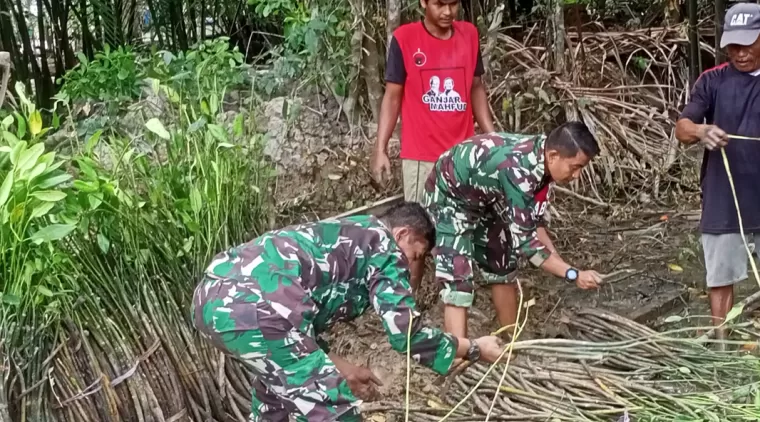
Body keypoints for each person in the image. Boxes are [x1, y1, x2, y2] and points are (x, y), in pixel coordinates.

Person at [191, 202, 503, 421]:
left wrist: (345, 369)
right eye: (416, 254)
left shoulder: (351, 232)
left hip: (213, 300)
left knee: (280, 401)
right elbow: (406, 333)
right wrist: (473, 348)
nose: (409, 266)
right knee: (333, 409)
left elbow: (297, 333)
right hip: (259, 307)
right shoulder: (385, 247)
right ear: (403, 235)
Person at [423, 122, 604, 338]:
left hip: (487, 197)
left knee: (502, 264)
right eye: (575, 167)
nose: (576, 176)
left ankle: (511, 341)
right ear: (554, 155)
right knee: (457, 278)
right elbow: (528, 245)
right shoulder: (520, 171)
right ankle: (460, 354)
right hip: (450, 198)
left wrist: (565, 266)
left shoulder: (543, 162)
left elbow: (534, 224)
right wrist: (573, 274)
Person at [371, 0, 495, 289]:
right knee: (415, 232)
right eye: (439, 4)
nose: (448, 12)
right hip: (420, 156)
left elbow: (476, 86)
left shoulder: (469, 35)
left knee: (463, 223)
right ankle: (408, 301)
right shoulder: (404, 39)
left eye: (453, 4)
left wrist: (492, 137)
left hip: (463, 156)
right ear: (423, 3)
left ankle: (455, 292)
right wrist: (380, 148)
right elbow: (392, 96)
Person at [675, 2, 760, 339]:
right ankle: (721, 348)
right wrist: (701, 131)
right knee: (720, 276)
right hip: (724, 195)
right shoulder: (712, 81)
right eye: (733, 45)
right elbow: (682, 128)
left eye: (748, 43)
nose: (740, 53)